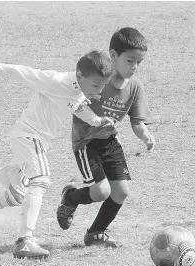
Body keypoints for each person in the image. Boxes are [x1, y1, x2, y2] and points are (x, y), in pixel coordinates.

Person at [0, 50, 115, 259]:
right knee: (41, 180)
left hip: (36, 142)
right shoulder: (55, 80)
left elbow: (76, 106)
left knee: (15, 197)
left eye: (103, 86)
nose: (99, 91)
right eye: (96, 86)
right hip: (27, 136)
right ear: (80, 75)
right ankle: (25, 241)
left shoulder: (80, 90)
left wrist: (97, 121)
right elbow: (19, 71)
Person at [57, 27, 155, 247]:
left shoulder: (135, 87)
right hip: (87, 143)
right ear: (113, 55)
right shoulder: (98, 79)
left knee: (120, 192)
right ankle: (70, 197)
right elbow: (75, 100)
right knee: (101, 191)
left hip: (111, 142)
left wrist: (145, 135)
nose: (134, 67)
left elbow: (137, 121)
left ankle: (96, 232)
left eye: (139, 62)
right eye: (130, 61)